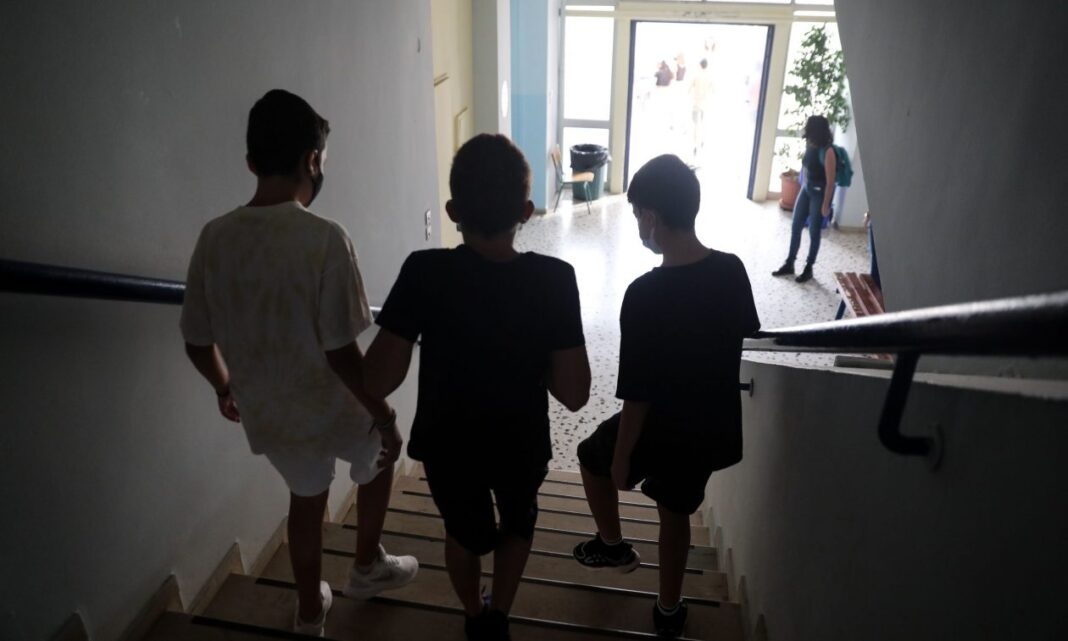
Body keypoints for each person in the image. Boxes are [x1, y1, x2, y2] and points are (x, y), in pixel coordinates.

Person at [180, 89, 418, 637]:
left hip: (270, 411)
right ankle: (366, 567)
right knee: (383, 455)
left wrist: (224, 388)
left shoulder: (214, 238)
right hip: (335, 404)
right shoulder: (325, 239)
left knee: (305, 501)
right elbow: (341, 352)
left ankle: (310, 612)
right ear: (312, 160)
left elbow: (196, 340)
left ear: (251, 162)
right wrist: (383, 415)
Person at [363, 134, 591, 641]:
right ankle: (498, 617)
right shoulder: (554, 279)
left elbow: (376, 379)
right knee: (519, 522)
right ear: (526, 212)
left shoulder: (424, 272)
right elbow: (576, 394)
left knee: (464, 533)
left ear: (452, 212)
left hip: (447, 446)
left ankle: (472, 613)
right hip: (520, 443)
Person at [571, 155, 759, 638]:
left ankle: (612, 544)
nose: (638, 224)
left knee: (591, 456)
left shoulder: (644, 294)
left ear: (652, 217)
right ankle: (669, 610)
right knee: (676, 511)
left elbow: (638, 394)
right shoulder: (732, 270)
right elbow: (746, 335)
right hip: (712, 424)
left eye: (638, 215)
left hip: (662, 425)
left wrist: (622, 459)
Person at [772, 115, 837, 283]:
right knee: (796, 225)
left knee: (814, 231)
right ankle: (790, 263)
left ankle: (809, 268)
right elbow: (806, 167)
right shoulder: (810, 143)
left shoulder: (828, 151)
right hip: (807, 190)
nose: (806, 131)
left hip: (820, 193)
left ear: (816, 130)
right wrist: (803, 185)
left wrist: (826, 205)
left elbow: (830, 182)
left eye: (809, 128)